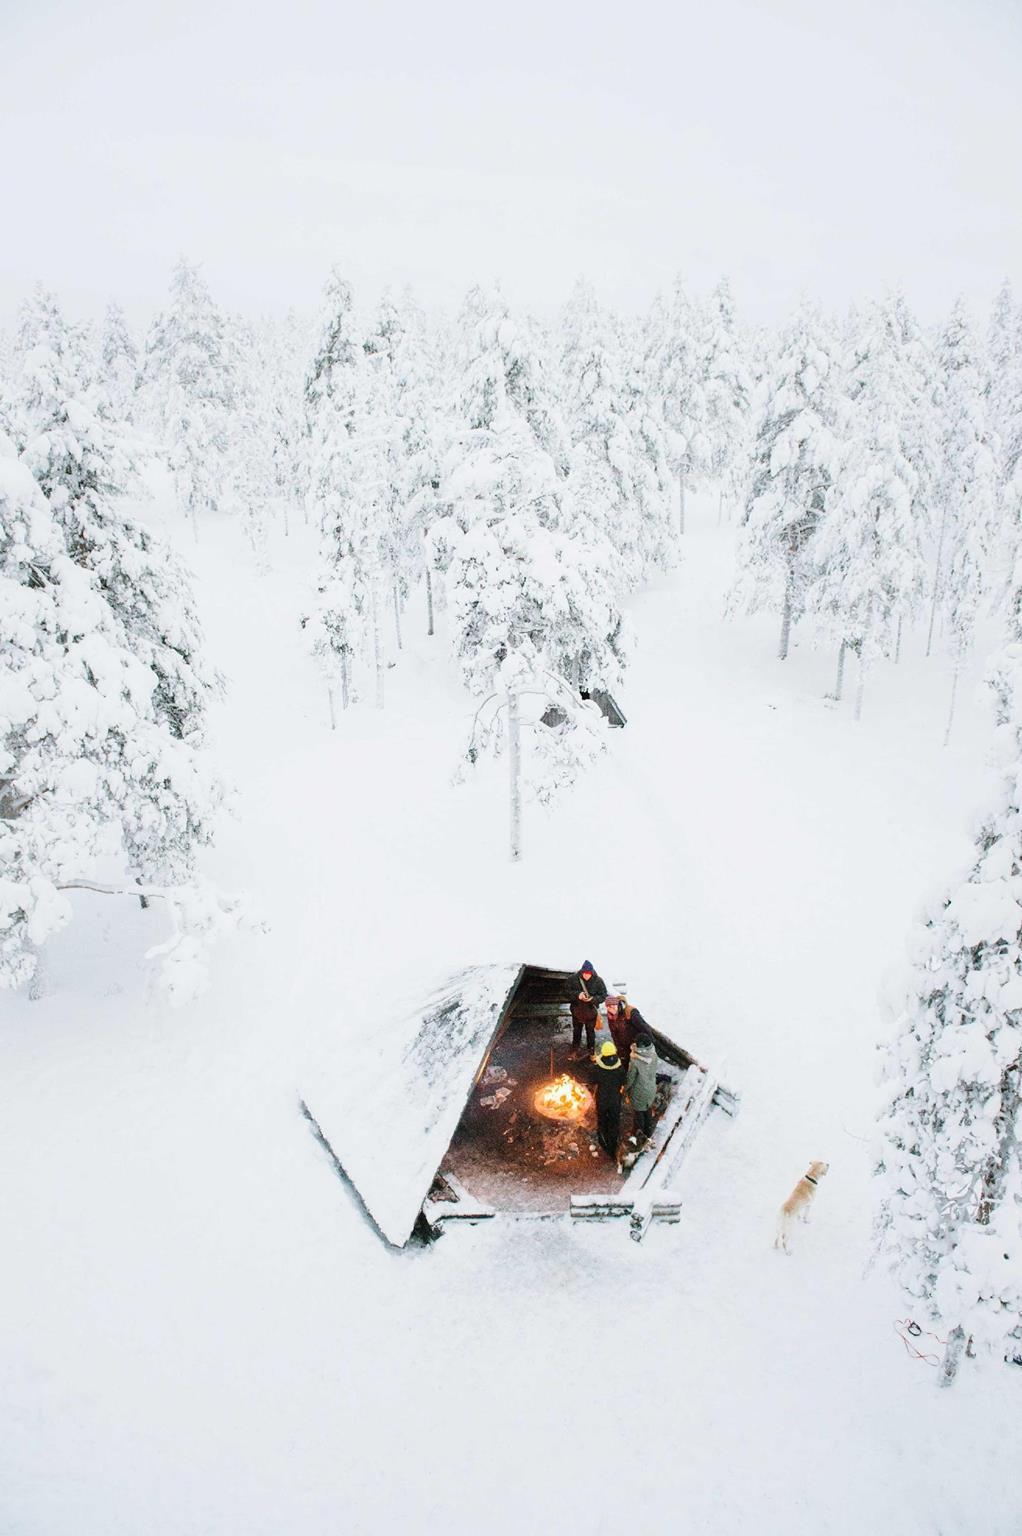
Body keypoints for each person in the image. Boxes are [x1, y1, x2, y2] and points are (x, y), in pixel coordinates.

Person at [592, 1039, 625, 1161]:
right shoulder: (619, 1068)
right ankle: (614, 1144)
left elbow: (592, 1080)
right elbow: (624, 1081)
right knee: (614, 1120)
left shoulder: (598, 1068)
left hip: (602, 1099)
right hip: (615, 1099)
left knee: (602, 1119)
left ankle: (603, 1141)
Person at [569, 959, 607, 1059]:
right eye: (585, 973)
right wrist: (578, 995)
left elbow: (603, 995)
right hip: (577, 1011)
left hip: (591, 1013)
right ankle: (574, 1050)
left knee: (590, 1033)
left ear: (592, 972)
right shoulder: (573, 979)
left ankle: (591, 1052)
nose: (586, 976)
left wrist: (593, 999)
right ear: (581, 971)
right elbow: (566, 992)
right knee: (576, 1032)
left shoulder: (598, 981)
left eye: (588, 974)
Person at [624, 1032, 658, 1142]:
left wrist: (625, 1089)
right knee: (647, 1109)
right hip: (651, 1088)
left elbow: (630, 1078)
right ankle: (648, 1130)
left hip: (639, 1092)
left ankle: (639, 1134)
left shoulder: (635, 1061)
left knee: (638, 1114)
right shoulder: (653, 1054)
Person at [606, 994, 650, 1074]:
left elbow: (644, 1028)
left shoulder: (630, 1013)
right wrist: (619, 1049)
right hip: (624, 1045)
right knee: (625, 1065)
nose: (611, 1008)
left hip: (636, 1045)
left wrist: (648, 1046)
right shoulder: (611, 1016)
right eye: (608, 1006)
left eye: (613, 1005)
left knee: (639, 1068)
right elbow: (614, 1034)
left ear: (618, 1004)